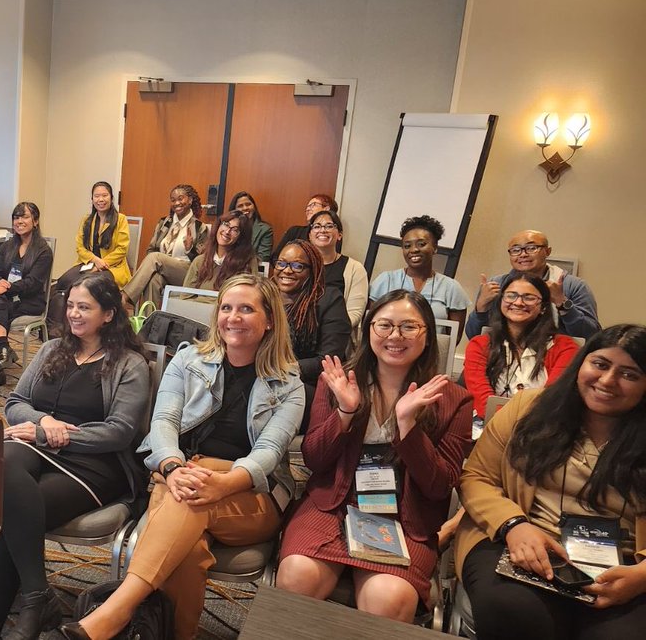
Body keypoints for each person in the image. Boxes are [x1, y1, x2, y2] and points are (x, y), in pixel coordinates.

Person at [64, 274, 303, 640]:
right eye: (226, 308)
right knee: (188, 552)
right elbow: (164, 422)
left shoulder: (289, 384)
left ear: (269, 320)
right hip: (181, 474)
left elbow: (268, 453)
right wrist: (174, 468)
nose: (233, 317)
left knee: (189, 500)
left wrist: (223, 484)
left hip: (251, 492)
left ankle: (117, 609)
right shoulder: (189, 360)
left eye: (246, 309)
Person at [275, 290, 472, 622]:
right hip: (332, 504)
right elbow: (314, 460)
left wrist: (408, 426)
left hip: (405, 517)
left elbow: (440, 486)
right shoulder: (338, 381)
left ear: (427, 334)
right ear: (369, 329)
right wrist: (345, 413)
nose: (395, 336)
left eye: (409, 327)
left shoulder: (453, 400)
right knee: (297, 575)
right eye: (384, 325)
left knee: (388, 598)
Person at [0, 273, 151, 640]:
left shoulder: (129, 363)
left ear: (108, 314)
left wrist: (48, 433)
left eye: (84, 307)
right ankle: (37, 596)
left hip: (93, 463)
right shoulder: (51, 349)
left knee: (9, 507)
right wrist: (42, 421)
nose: (73, 313)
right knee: (4, 463)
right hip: (39, 447)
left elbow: (119, 432)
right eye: (70, 305)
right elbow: (15, 402)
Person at [456, 324, 646, 639]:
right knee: (516, 613)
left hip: (624, 564)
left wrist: (642, 576)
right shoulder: (528, 409)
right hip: (520, 540)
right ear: (581, 363)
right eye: (600, 364)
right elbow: (477, 477)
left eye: (629, 374)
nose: (607, 381)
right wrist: (513, 525)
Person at [463, 273, 580, 420]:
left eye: (529, 298)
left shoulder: (565, 348)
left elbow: (551, 400)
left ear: (543, 307)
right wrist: (503, 424)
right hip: (490, 424)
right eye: (511, 296)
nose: (518, 302)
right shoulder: (479, 345)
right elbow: (483, 401)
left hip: (541, 426)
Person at [272, 240, 351, 430]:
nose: (287, 270)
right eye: (281, 263)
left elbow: (329, 359)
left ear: (313, 270)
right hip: (268, 378)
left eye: (297, 266)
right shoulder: (267, 296)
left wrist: (283, 369)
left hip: (309, 385)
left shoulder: (329, 299)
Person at [465, 229, 599, 341]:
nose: (523, 254)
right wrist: (481, 308)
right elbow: (473, 335)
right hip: (502, 356)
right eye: (516, 250)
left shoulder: (573, 286)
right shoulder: (496, 284)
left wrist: (562, 303)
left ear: (547, 251)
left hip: (555, 358)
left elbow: (591, 335)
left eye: (531, 248)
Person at [0, 202, 53, 391]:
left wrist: (8, 287)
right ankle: (2, 351)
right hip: (6, 297)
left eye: (24, 217)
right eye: (16, 217)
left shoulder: (43, 251)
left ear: (35, 221)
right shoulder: (7, 246)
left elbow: (33, 283)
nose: (19, 221)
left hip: (29, 300)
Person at [369, 215, 469, 325]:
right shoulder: (386, 280)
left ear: (435, 247)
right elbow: (371, 325)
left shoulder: (451, 288)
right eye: (407, 246)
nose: (414, 250)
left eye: (421, 244)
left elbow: (454, 334)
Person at [121, 184, 207, 310]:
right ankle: (149, 320)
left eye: (180, 199)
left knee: (155, 257)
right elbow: (151, 249)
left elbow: (201, 264)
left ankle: (124, 297)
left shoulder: (200, 227)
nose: (176, 203)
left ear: (190, 200)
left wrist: (189, 249)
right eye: (173, 200)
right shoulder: (164, 223)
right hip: (162, 269)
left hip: (186, 273)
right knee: (153, 281)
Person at [53, 182, 130, 305]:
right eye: (97, 196)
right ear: (92, 199)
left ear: (111, 198)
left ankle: (90, 313)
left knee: (91, 284)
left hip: (112, 267)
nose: (101, 199)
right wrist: (94, 260)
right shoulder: (86, 220)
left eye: (105, 195)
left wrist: (101, 264)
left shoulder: (120, 219)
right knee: (64, 281)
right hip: (88, 263)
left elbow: (122, 249)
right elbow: (80, 247)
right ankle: (67, 314)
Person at [308, 209, 368, 328]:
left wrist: (329, 331)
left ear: (340, 235)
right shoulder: (300, 264)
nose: (322, 230)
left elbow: (355, 314)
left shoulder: (355, 269)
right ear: (310, 235)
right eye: (317, 226)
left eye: (329, 226)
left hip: (336, 333)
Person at [183, 210, 258, 290]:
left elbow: (250, 293)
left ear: (241, 237)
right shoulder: (199, 261)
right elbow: (186, 294)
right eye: (226, 224)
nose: (227, 231)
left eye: (235, 230)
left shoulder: (247, 262)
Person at [226, 191, 274, 262]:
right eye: (240, 206)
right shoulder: (227, 228)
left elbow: (263, 258)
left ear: (254, 206)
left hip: (251, 267)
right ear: (234, 210)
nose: (245, 208)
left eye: (248, 204)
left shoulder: (265, 230)